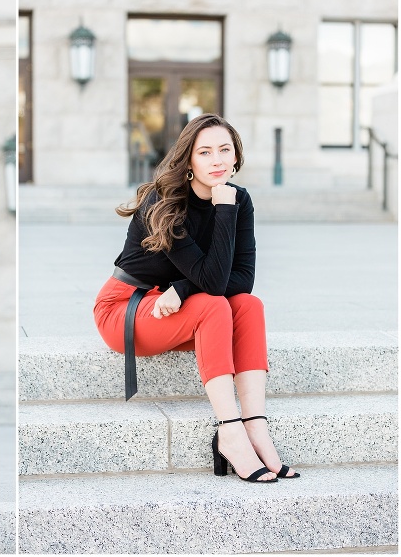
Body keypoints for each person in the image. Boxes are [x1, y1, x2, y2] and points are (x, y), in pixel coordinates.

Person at [94, 113, 298, 483]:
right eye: (205, 152)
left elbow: (243, 280)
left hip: (179, 306)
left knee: (249, 306)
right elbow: (215, 282)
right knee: (214, 303)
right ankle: (230, 432)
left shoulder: (240, 199)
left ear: (236, 156)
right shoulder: (164, 202)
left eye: (225, 149)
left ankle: (256, 427)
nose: (217, 160)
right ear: (189, 160)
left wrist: (183, 289)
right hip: (127, 308)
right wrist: (221, 210)